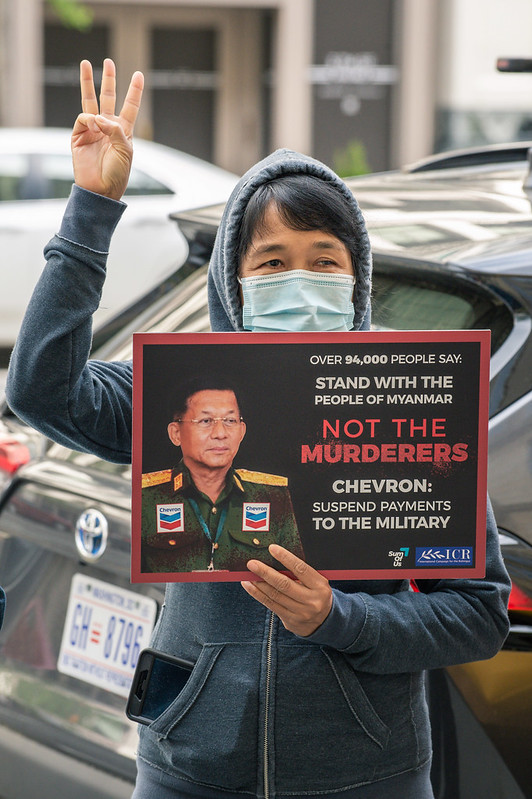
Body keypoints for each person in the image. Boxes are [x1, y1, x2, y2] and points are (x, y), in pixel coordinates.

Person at [6, 59, 510, 799]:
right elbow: (41, 389)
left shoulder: (406, 405)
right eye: (273, 262)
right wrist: (90, 207)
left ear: (356, 279)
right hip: (191, 772)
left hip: (366, 776)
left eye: (324, 262)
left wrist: (340, 616)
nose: (300, 282)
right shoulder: (182, 394)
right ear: (235, 282)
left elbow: (477, 613)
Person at [141, 375, 304, 574]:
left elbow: (294, 576)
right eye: (206, 420)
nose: (220, 433)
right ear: (176, 433)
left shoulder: (271, 496)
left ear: (241, 432)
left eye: (229, 420)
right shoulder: (147, 497)